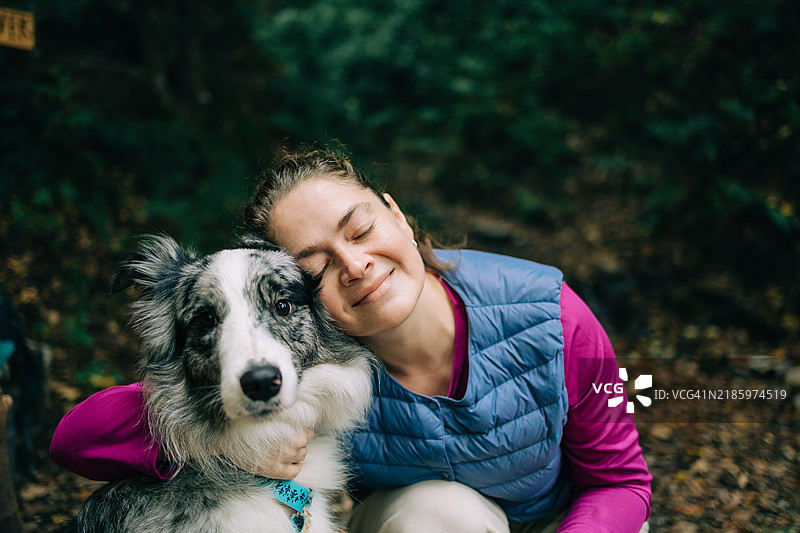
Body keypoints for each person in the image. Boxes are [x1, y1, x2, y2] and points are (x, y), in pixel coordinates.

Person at [51, 148, 651, 532]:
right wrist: (224, 445)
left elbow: (623, 480)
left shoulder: (553, 315)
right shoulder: (312, 367)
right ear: (304, 301)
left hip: (573, 524)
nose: (357, 265)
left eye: (362, 229)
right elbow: (77, 439)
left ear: (395, 212)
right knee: (433, 513)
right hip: (423, 526)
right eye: (316, 267)